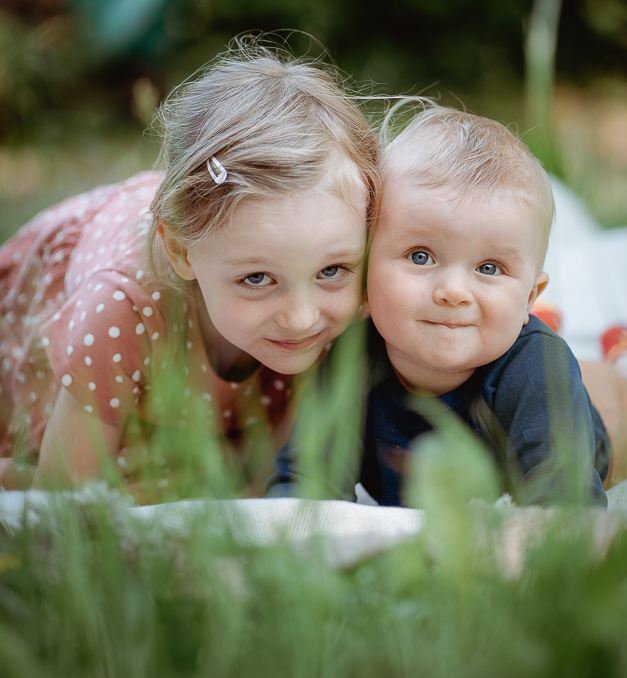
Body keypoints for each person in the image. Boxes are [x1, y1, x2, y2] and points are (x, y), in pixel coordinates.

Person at [0, 40, 379, 499]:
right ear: (181, 251)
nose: (301, 317)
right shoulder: (121, 310)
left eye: (332, 270)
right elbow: (62, 503)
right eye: (257, 278)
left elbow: (270, 490)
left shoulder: (358, 288)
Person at [269, 107, 627, 506]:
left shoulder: (539, 370)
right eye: (421, 256)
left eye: (489, 268)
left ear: (528, 296)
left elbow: (565, 500)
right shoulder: (349, 360)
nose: (454, 291)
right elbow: (303, 483)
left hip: (610, 417)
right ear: (365, 274)